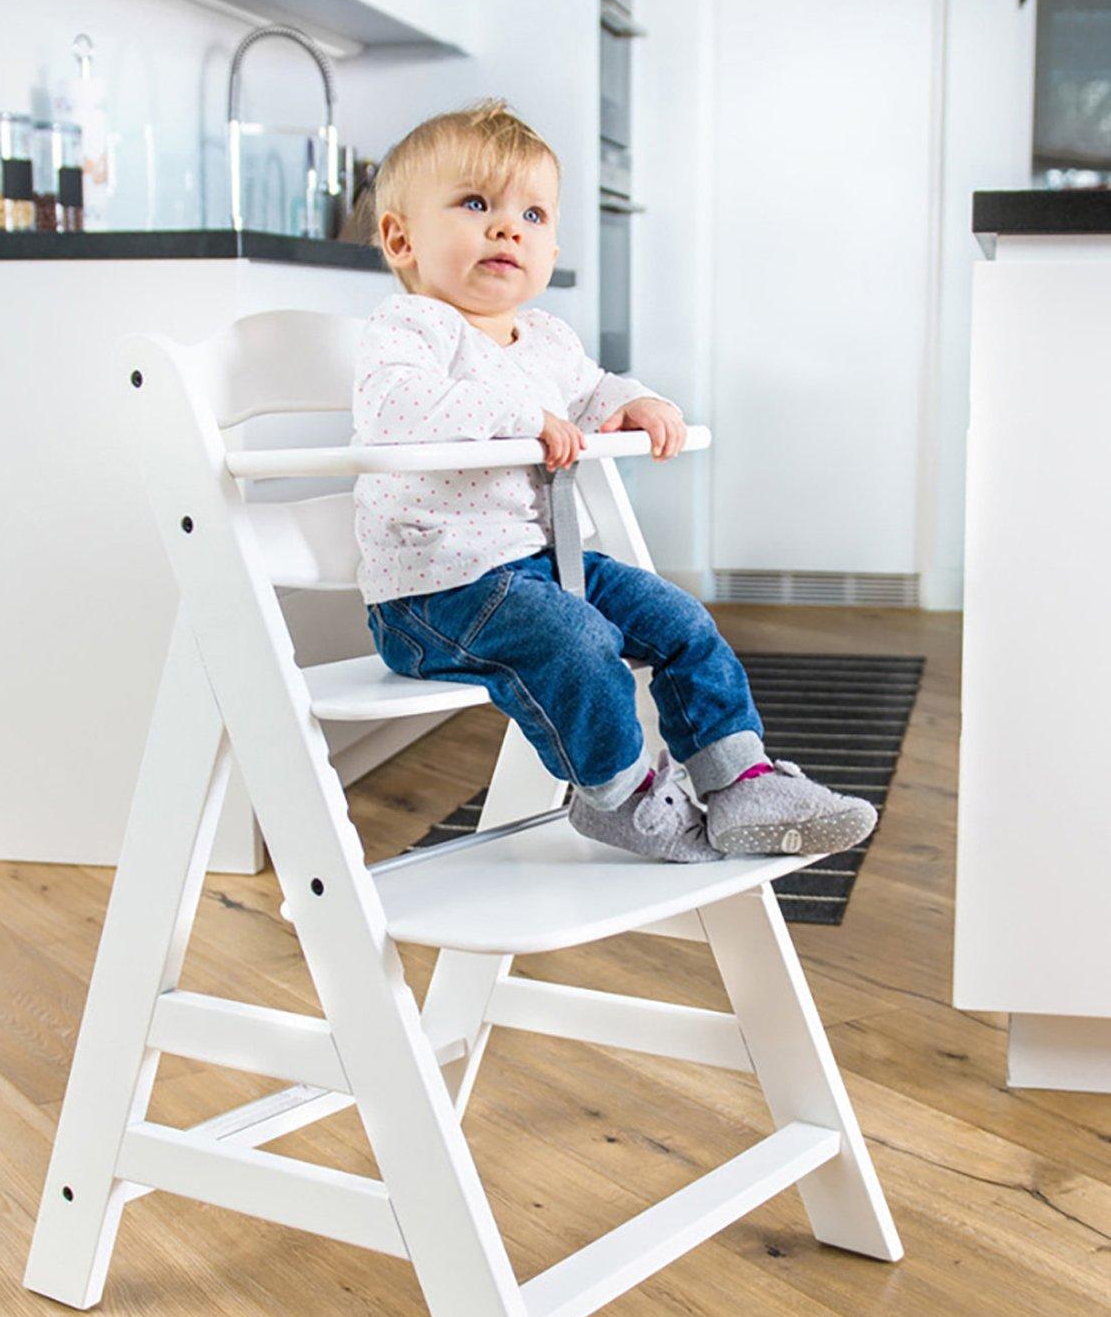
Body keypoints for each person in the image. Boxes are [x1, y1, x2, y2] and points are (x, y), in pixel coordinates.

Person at [352, 98, 877, 863]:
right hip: (436, 593)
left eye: (531, 214)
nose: (507, 228)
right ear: (401, 237)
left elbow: (591, 390)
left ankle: (743, 782)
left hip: (537, 571)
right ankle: (619, 794)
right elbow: (394, 412)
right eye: (476, 204)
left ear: (551, 243)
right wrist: (522, 415)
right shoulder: (409, 331)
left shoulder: (547, 338)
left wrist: (634, 402)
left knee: (679, 619)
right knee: (580, 638)